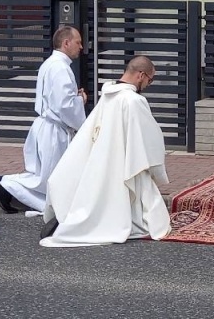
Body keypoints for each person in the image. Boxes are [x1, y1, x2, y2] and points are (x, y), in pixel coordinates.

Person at [42, 56, 170, 246]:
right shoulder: (133, 101)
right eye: (150, 80)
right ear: (141, 75)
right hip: (126, 161)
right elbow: (148, 140)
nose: (149, 85)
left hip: (103, 160)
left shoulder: (108, 95)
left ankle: (73, 222)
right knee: (144, 210)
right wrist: (157, 171)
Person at [0, 25, 87, 214]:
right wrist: (80, 100)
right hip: (54, 130)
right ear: (66, 43)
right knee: (48, 180)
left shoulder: (49, 64)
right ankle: (3, 186)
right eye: (78, 42)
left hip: (44, 126)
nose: (82, 47)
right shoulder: (61, 68)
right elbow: (65, 105)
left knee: (42, 176)